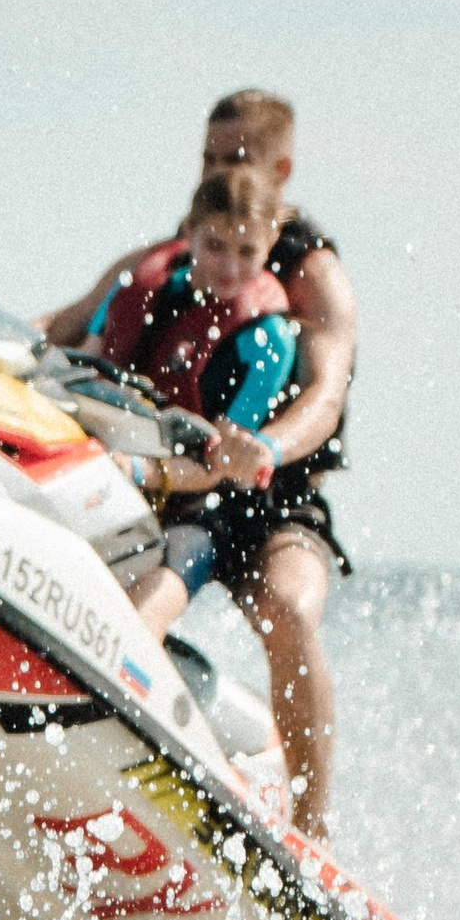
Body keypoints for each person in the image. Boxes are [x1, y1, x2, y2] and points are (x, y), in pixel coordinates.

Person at [45, 89, 355, 831]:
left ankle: (311, 833)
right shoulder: (175, 260)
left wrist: (269, 445)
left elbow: (326, 392)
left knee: (287, 610)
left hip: (273, 492)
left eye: (237, 159)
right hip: (175, 492)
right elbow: (57, 331)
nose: (219, 172)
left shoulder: (311, 279)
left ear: (281, 170)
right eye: (210, 159)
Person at [84, 170, 295, 645]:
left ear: (270, 245)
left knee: (154, 598)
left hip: (201, 505)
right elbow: (86, 367)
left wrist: (138, 471)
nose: (229, 266)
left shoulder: (268, 344)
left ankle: (132, 653)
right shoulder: (139, 290)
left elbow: (218, 466)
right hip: (101, 468)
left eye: (248, 252)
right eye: (215, 244)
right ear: (190, 231)